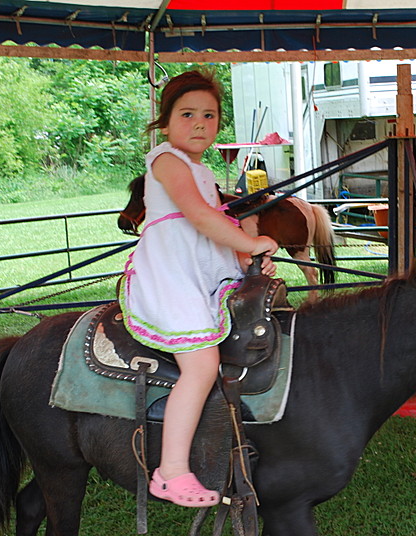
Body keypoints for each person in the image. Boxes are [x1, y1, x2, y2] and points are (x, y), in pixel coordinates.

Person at [119, 70, 279, 507]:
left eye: (209, 116)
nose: (199, 124)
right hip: (172, 275)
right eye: (187, 114)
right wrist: (251, 240)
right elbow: (200, 218)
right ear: (165, 122)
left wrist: (245, 256)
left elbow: (214, 230)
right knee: (202, 365)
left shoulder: (202, 170)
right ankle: (170, 472)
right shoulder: (166, 160)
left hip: (202, 273)